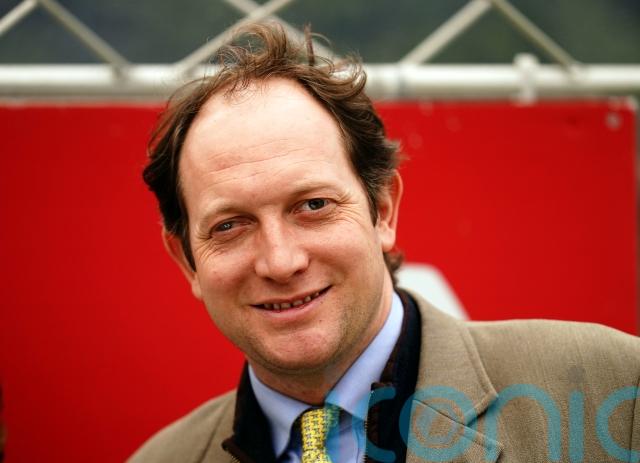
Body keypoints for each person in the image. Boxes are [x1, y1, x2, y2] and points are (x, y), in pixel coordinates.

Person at [129, 23, 640, 463]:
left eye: (313, 205)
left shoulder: (612, 390)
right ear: (187, 261)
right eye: (229, 226)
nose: (281, 262)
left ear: (383, 210)